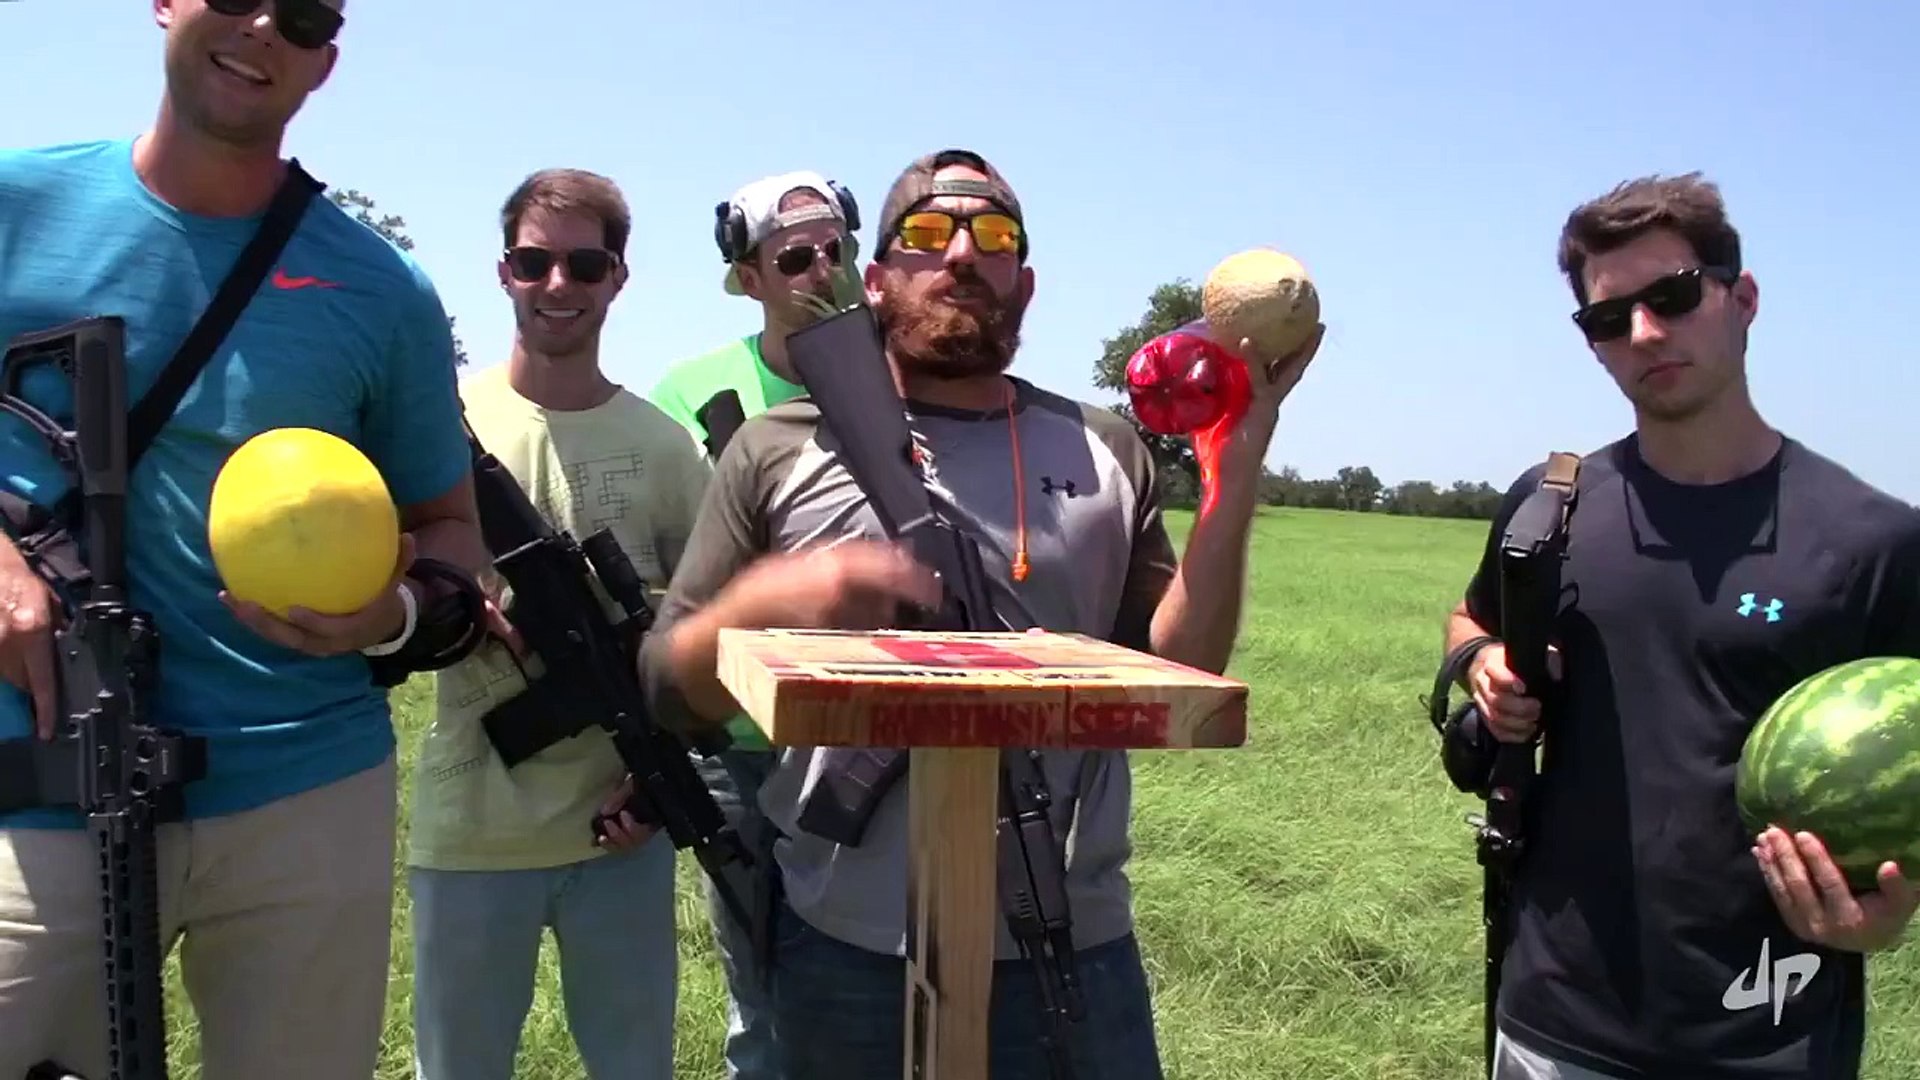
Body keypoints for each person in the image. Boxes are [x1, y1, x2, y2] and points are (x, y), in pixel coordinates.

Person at [639, 147, 1324, 1079]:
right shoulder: (775, 449)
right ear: (874, 280)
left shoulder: (1106, 448)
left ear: (1026, 283)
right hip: (845, 942)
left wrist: (1234, 464)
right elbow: (666, 690)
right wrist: (762, 605)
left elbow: (1185, 666)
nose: (961, 253)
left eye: (993, 235)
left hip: (1070, 932)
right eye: (925, 235)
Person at [0, 1, 488, 1076]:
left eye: (306, 13)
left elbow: (452, 528)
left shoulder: (383, 289)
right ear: (166, 5)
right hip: (38, 779)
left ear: (326, 59)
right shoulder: (15, 204)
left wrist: (394, 613)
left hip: (304, 792)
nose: (263, 25)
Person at [1439, 171, 1920, 1079]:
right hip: (1554, 1017)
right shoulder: (1553, 510)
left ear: (1741, 299)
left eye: (1672, 296)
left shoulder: (1873, 538)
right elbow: (1472, 615)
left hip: (1767, 1024)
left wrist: (1897, 906)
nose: (1645, 334)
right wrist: (1480, 662)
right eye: (1608, 319)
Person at [404, 167, 713, 1080]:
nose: (558, 286)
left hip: (618, 837)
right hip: (468, 830)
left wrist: (659, 790)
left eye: (584, 264)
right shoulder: (439, 422)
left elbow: (706, 638)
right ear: (503, 271)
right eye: (534, 262)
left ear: (619, 277)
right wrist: (451, 607)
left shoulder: (665, 447)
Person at [645, 167, 863, 1080]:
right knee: (761, 987)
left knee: (870, 975)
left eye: (837, 251)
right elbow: (659, 574)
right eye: (794, 256)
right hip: (735, 740)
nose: (821, 270)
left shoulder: (897, 381)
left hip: (868, 733)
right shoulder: (691, 392)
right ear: (748, 278)